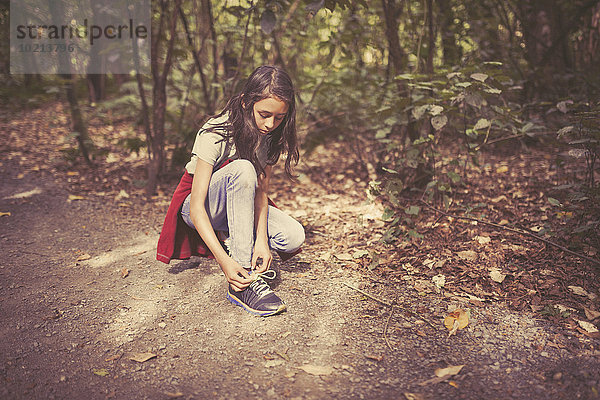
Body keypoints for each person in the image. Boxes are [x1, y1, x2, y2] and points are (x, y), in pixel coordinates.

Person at [156, 65, 305, 317]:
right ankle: (243, 281)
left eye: (279, 117)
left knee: (293, 236)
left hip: (242, 204)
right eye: (264, 114)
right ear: (247, 102)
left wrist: (261, 243)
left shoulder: (270, 137)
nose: (270, 124)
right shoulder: (215, 131)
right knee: (243, 169)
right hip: (201, 208)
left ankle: (239, 240)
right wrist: (226, 263)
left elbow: (261, 193)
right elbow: (196, 207)